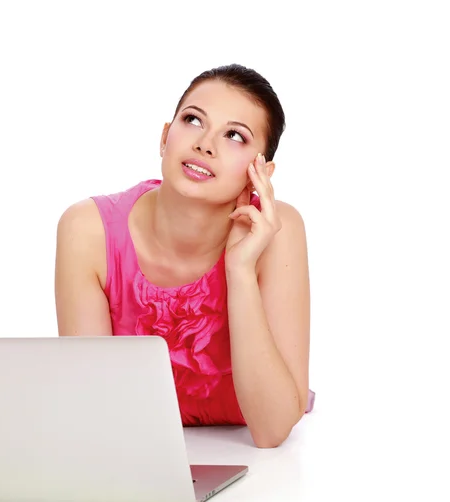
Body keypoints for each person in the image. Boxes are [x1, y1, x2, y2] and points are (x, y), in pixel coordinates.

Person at [54, 64, 315, 448]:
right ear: (165, 138)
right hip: (132, 456)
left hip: (259, 473)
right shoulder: (87, 229)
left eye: (234, 135)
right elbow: (96, 412)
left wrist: (240, 270)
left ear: (261, 171)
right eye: (193, 120)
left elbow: (272, 430)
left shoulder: (277, 230)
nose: (205, 144)